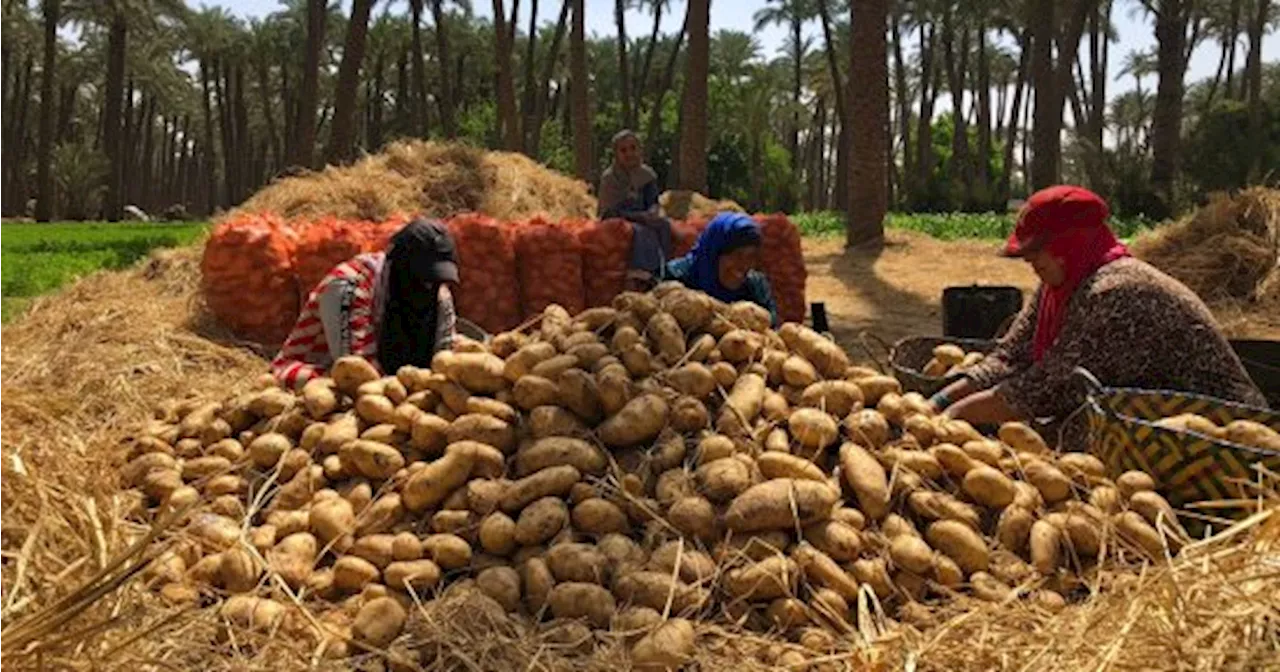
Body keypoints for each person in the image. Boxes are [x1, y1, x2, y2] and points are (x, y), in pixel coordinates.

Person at [932, 185, 1266, 446]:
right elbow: (1010, 355)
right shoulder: (1059, 285)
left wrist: (952, 416)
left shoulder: (1118, 292)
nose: (1029, 260)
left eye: (1037, 250)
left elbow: (1049, 386)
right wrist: (941, 399)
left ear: (1072, 242)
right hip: (1142, 418)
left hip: (1221, 434)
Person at [272, 218, 459, 389]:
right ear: (396, 264)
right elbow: (355, 368)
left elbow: (445, 355)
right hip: (323, 369)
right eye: (421, 278)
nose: (428, 286)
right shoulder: (348, 286)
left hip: (393, 379)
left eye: (433, 280)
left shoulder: (438, 293)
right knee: (335, 389)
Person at [666, 212, 779, 326]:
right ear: (714, 253)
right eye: (737, 255)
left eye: (750, 257)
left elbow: (772, 329)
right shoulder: (676, 277)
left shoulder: (756, 288)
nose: (744, 265)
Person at [598, 129, 672, 291]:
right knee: (639, 231)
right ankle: (640, 275)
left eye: (633, 148)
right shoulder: (610, 178)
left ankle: (663, 271)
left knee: (664, 225)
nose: (629, 154)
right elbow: (609, 210)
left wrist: (653, 212)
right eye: (623, 150)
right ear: (616, 154)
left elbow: (653, 201)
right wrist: (639, 216)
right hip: (619, 216)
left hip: (644, 215)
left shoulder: (647, 175)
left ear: (639, 150)